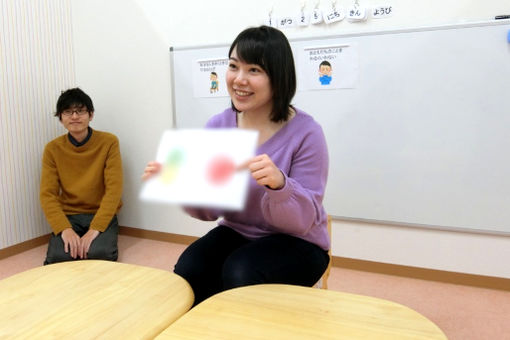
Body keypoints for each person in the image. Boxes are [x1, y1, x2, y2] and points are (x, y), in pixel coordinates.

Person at [143, 25, 330, 306]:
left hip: (299, 241)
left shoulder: (306, 132)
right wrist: (181, 184)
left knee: (240, 272)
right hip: (238, 231)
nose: (239, 79)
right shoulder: (219, 126)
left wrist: (280, 185)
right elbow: (210, 211)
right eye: (233, 66)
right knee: (190, 270)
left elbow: (303, 222)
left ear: (278, 78)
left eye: (254, 70)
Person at [40, 88, 123, 265]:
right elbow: (47, 195)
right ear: (61, 118)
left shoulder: (109, 142)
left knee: (101, 254)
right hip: (69, 214)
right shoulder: (52, 149)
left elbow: (114, 190)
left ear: (91, 115)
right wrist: (64, 229)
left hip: (101, 212)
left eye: (80, 111)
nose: (75, 116)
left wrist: (95, 229)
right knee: (57, 258)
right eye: (68, 112)